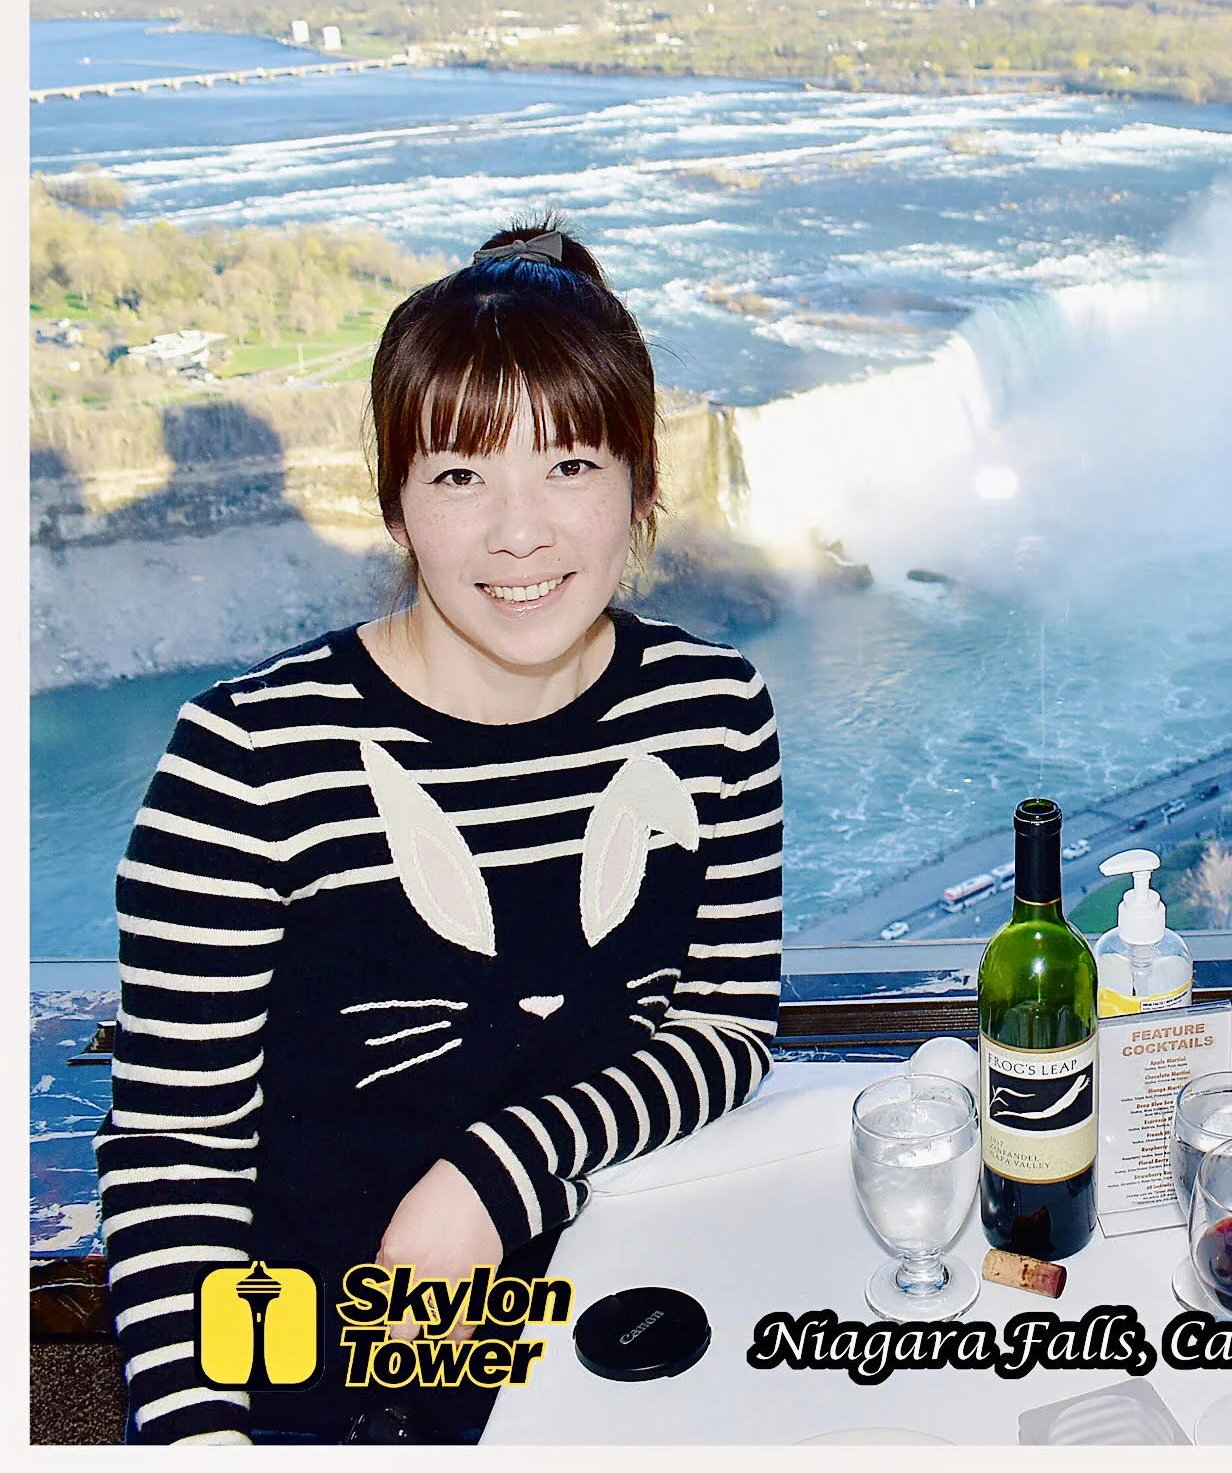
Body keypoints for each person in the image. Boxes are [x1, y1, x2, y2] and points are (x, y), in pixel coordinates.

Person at [98, 222, 785, 1444]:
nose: (519, 533)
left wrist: (495, 1173)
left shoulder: (712, 708)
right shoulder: (248, 761)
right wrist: (203, 1439)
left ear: (642, 481)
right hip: (341, 1361)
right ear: (398, 506)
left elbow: (728, 1027)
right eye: (461, 476)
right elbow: (175, 1157)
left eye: (570, 465)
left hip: (622, 1313)